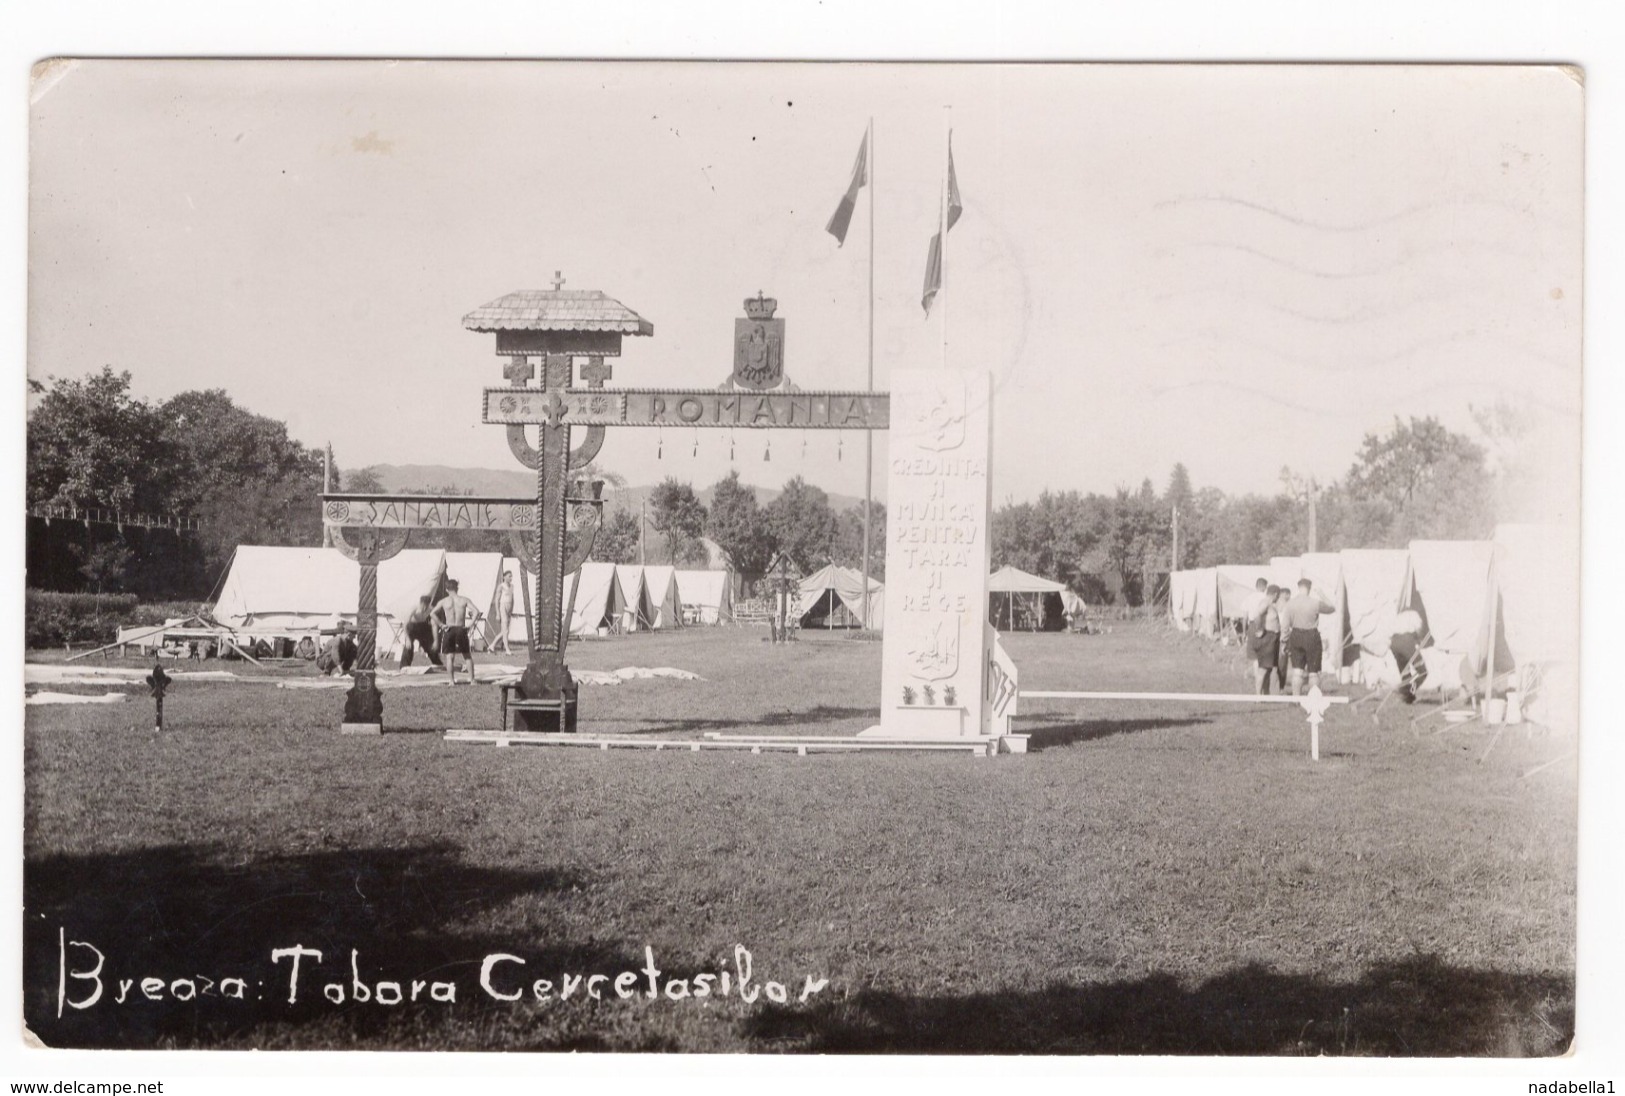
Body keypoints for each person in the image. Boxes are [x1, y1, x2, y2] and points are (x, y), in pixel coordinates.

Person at [1283, 578, 1335, 695]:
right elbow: (1332, 608)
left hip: (1296, 634)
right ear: (1309, 588)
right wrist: (1322, 594)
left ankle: (1296, 698)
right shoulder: (1314, 602)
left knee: (1297, 671)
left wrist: (1284, 640)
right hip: (1311, 635)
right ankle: (1313, 698)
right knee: (1313, 672)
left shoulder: (1290, 603)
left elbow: (1285, 625)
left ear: (1298, 587)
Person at [432, 578, 479, 686]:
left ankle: (451, 681)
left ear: (447, 589)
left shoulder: (444, 601)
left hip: (449, 629)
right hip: (460, 628)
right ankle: (472, 680)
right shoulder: (464, 600)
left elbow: (432, 613)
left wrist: (441, 625)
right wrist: (470, 625)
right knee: (467, 655)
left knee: (450, 656)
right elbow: (476, 611)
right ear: (457, 588)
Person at [1247, 579, 1279, 694]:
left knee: (1268, 668)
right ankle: (1258, 695)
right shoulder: (1266, 602)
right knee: (1263, 669)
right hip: (1268, 637)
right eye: (1278, 596)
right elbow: (1256, 614)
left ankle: (1265, 693)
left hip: (1272, 637)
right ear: (1275, 594)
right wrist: (1260, 628)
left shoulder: (1269, 603)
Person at [1389, 608, 1427, 704]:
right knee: (1422, 671)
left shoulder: (1399, 616)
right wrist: (1419, 640)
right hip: (1406, 641)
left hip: (1394, 642)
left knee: (1405, 672)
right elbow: (1419, 631)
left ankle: (1406, 696)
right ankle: (1407, 692)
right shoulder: (1415, 615)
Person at [400, 594, 443, 669]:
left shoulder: (431, 609)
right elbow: (405, 624)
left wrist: (436, 641)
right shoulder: (414, 608)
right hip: (412, 626)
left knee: (431, 647)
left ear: (429, 604)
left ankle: (438, 664)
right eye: (423, 606)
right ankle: (404, 667)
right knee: (409, 647)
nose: (424, 608)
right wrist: (407, 639)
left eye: (426, 606)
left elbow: (434, 625)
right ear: (420, 603)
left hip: (423, 626)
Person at [493, 570, 516, 655]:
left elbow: (512, 599)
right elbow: (496, 600)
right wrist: (497, 613)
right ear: (504, 577)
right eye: (509, 576)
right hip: (502, 607)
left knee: (505, 631)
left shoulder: (512, 586)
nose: (511, 578)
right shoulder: (501, 586)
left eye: (511, 576)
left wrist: (511, 610)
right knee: (505, 630)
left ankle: (492, 646)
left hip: (509, 608)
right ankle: (507, 649)